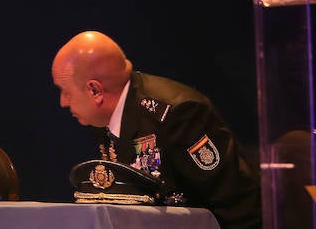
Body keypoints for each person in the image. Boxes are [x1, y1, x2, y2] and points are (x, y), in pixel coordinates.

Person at [51, 30, 260, 229]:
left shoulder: (178, 115)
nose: (63, 102)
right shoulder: (104, 118)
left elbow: (239, 209)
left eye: (65, 91)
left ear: (95, 90)